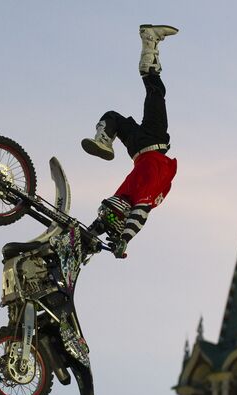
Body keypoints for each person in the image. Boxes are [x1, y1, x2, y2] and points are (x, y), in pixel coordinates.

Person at [82, 24, 178, 258]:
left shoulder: (128, 195)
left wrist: (92, 233)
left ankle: (149, 42)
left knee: (155, 91)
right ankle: (104, 138)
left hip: (150, 144)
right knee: (115, 116)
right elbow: (138, 215)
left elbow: (112, 214)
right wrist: (122, 239)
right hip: (140, 149)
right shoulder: (136, 199)